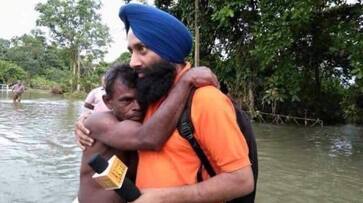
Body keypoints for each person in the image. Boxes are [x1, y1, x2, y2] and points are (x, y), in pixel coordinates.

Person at [77, 3, 254, 203]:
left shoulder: (206, 99)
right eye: (131, 51)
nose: (132, 62)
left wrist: (163, 197)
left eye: (142, 49)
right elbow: (129, 129)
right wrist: (85, 122)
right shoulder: (151, 98)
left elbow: (242, 181)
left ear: (167, 50)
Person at [78, 64, 217, 203]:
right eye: (127, 100)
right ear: (108, 101)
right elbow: (148, 139)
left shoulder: (150, 123)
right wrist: (186, 81)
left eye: (141, 99)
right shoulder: (98, 122)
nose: (137, 107)